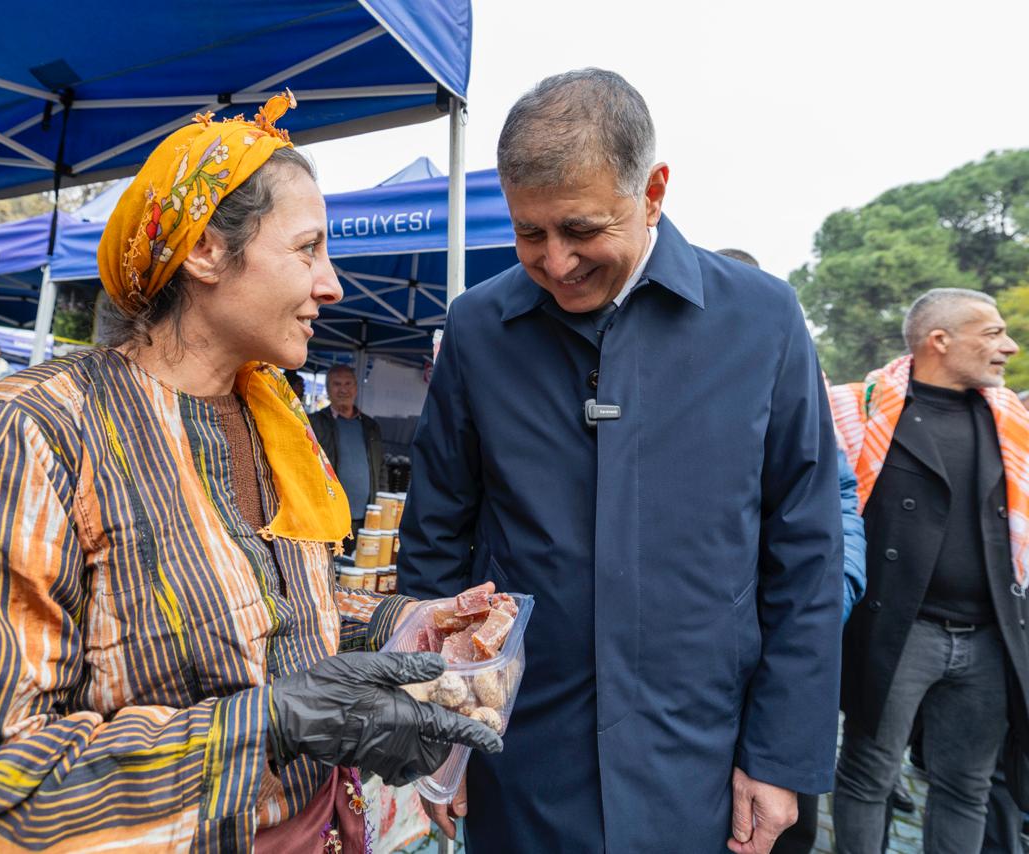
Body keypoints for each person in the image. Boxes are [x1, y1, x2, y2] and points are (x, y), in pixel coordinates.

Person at [0, 94, 499, 852]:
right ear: (208, 251)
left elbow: (259, 619)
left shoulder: (272, 425)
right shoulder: (23, 436)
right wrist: (275, 724)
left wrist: (402, 626)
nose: (332, 285)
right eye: (308, 249)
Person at [397, 68, 844, 853]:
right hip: (525, 758)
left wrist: (780, 757)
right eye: (529, 233)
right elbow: (436, 542)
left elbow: (805, 554)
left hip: (703, 759)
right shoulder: (476, 329)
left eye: (582, 230)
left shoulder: (763, 321)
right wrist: (443, 739)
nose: (557, 261)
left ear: (654, 190)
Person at [830, 288, 1029, 853]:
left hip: (991, 637)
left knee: (966, 787)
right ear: (940, 340)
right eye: (992, 334)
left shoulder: (1011, 421)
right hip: (898, 632)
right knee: (869, 775)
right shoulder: (859, 410)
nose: (1009, 347)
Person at [709, 246, 869, 854]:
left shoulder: (794, 387)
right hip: (707, 657)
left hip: (782, 641)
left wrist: (833, 593)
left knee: (776, 818)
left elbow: (837, 507)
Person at [311, 364, 387, 546]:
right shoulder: (315, 423)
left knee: (360, 569)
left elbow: (381, 468)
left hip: (366, 519)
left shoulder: (370, 426)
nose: (343, 389)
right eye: (337, 384)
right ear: (328, 389)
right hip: (328, 517)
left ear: (356, 388)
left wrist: (381, 505)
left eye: (348, 384)